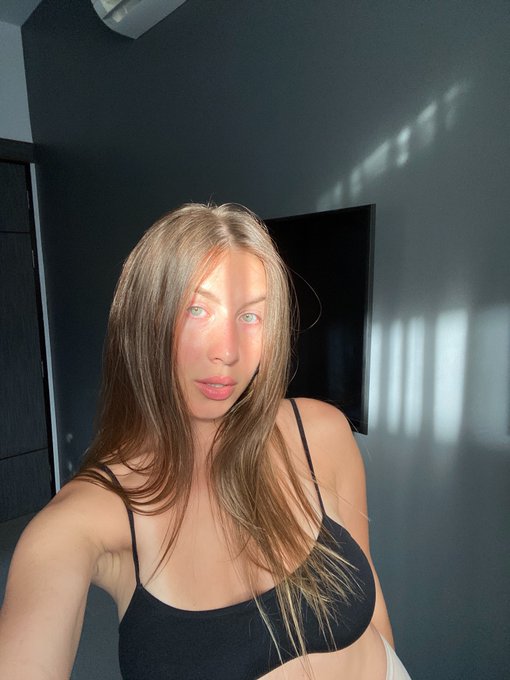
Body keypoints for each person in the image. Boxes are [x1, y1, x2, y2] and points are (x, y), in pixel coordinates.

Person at [0, 203, 411, 679]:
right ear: (145, 321)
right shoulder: (87, 519)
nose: (228, 352)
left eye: (251, 316)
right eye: (197, 310)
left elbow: (373, 606)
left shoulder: (320, 433)